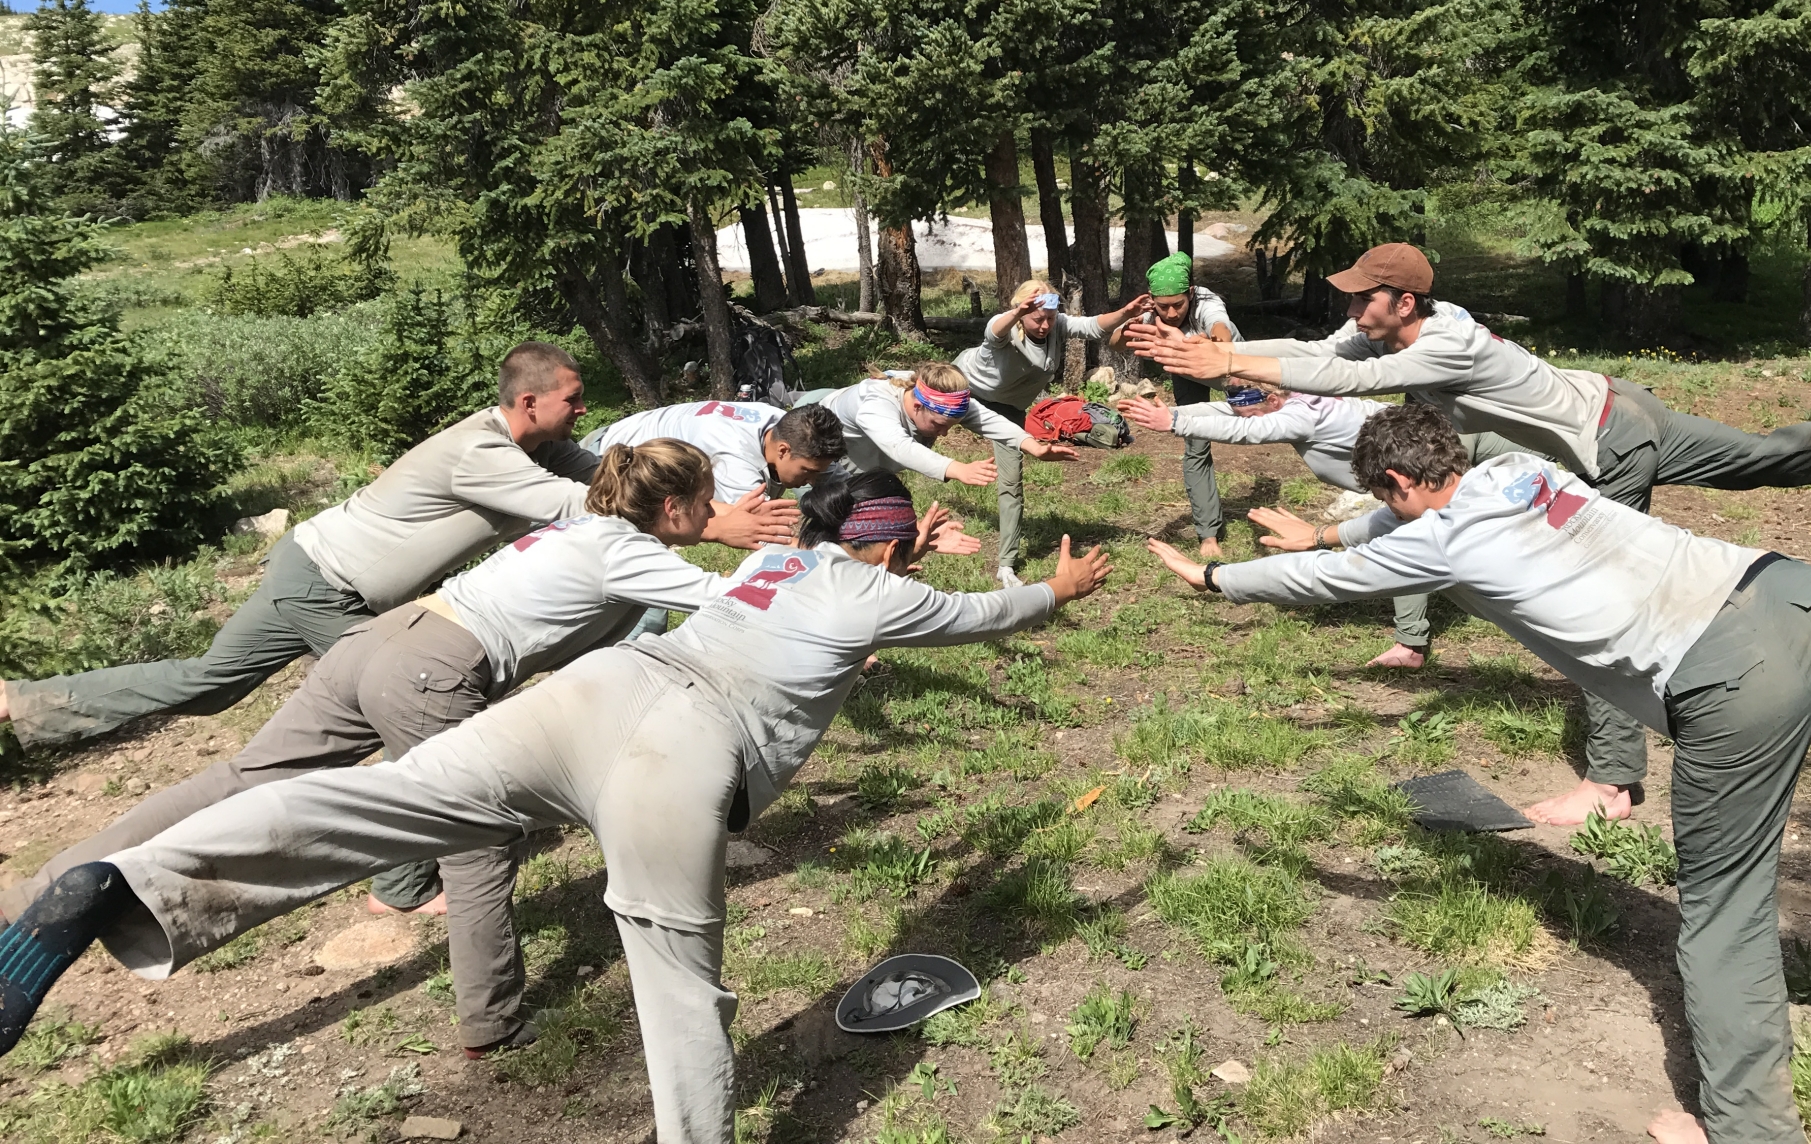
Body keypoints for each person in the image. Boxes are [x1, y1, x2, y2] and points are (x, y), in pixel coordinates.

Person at [0, 473, 1114, 1144]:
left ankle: (131, 879)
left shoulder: (765, 577)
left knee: (381, 802)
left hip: (590, 694)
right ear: (884, 537)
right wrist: (1056, 589)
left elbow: (813, 637)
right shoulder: (883, 585)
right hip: (673, 750)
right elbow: (996, 612)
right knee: (675, 974)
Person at [1144, 402, 1811, 1144]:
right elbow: (1400, 513)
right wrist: (1343, 522)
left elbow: (1325, 579)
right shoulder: (1513, 471)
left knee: (1724, 913)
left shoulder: (1435, 546)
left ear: (1397, 483)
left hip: (1731, 682)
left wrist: (1217, 581)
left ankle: (1748, 1132)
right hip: (1796, 596)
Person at [1129, 241, 1811, 824]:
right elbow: (1324, 359)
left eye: (1365, 299)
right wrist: (1225, 361)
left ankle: (1612, 782)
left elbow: (1348, 385)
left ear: (1402, 303)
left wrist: (1225, 358)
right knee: (1777, 453)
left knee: (1610, 619)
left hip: (1609, 453)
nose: (1354, 311)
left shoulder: (1444, 339)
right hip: (1618, 406)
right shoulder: (1384, 331)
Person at [0, 440, 732, 1058]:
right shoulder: (627, 551)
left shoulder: (575, 529)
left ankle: (39, 896)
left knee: (244, 775)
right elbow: (727, 599)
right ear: (672, 509)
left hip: (378, 640)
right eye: (707, 499)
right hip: (433, 671)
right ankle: (493, 1023)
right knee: (479, 841)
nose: (712, 511)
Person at [0, 342, 603, 753]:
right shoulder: (484, 452)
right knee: (403, 698)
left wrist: (682, 474)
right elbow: (579, 505)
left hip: (310, 563)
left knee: (210, 685)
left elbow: (603, 478)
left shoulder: (538, 447)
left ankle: (21, 702)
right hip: (324, 582)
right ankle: (404, 881)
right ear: (530, 403)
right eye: (573, 400)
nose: (582, 409)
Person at [1119, 385, 1519, 664]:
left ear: (1271, 399)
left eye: (1244, 402)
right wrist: (1171, 413)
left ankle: (1410, 643)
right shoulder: (1305, 392)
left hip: (1432, 456)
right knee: (1563, 470)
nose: (1236, 408)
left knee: (1409, 539)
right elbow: (1229, 413)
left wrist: (1173, 421)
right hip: (1452, 438)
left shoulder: (1298, 415)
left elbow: (1244, 429)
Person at [584, 402, 848, 636]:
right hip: (602, 466)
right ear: (782, 451)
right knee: (643, 598)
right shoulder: (735, 458)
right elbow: (773, 540)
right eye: (807, 472)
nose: (813, 481)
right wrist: (836, 609)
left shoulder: (794, 430)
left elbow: (846, 492)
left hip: (640, 474)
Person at [956, 278, 1148, 586]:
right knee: (914, 429)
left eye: (1049, 317)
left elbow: (1094, 327)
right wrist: (1018, 313)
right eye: (1037, 318)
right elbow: (994, 330)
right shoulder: (1006, 330)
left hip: (1006, 410)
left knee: (1011, 481)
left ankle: (1006, 564)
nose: (1045, 325)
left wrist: (1125, 312)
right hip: (961, 391)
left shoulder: (1056, 325)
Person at [795, 363, 1076, 536]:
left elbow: (985, 418)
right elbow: (899, 446)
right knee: (829, 518)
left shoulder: (937, 397)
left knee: (865, 519)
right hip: (814, 443)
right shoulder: (875, 405)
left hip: (860, 459)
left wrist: (1032, 446)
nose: (943, 433)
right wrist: (956, 469)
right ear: (917, 406)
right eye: (939, 425)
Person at [1107, 250, 1237, 558]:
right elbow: (1114, 342)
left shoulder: (1207, 302)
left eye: (1178, 304)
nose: (1172, 312)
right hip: (1187, 373)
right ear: (1153, 298)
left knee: (1278, 421)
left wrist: (1212, 344)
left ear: (1190, 292)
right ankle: (1208, 535)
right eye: (1163, 306)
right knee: (1196, 445)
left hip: (1232, 370)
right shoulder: (1153, 311)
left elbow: (1222, 329)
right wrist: (1131, 322)